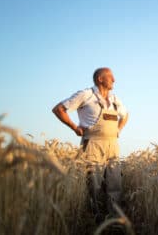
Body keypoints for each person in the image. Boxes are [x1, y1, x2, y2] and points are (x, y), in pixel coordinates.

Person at [52, 67, 128, 220]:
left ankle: (113, 222)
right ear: (100, 79)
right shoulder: (86, 95)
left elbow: (125, 115)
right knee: (93, 186)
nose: (114, 80)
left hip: (113, 147)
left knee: (115, 186)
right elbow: (59, 109)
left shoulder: (114, 99)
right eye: (111, 77)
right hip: (92, 145)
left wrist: (118, 130)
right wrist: (74, 127)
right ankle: (95, 221)